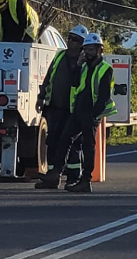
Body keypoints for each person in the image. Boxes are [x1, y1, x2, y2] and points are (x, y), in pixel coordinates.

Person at [40, 32, 116, 194]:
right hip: (78, 112)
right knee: (64, 140)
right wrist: (77, 66)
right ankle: (56, 174)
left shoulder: (105, 69)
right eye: (86, 49)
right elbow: (75, 83)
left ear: (99, 50)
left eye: (91, 49)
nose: (87, 52)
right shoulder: (84, 66)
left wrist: (94, 115)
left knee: (88, 147)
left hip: (91, 114)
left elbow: (103, 96)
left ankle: (85, 180)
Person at [34, 24, 89, 190]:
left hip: (73, 111)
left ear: (82, 44)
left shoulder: (85, 62)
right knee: (53, 142)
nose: (71, 42)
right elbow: (49, 76)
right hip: (55, 107)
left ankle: (73, 177)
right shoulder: (59, 56)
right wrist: (41, 96)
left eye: (75, 40)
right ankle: (52, 177)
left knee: (72, 145)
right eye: (70, 38)